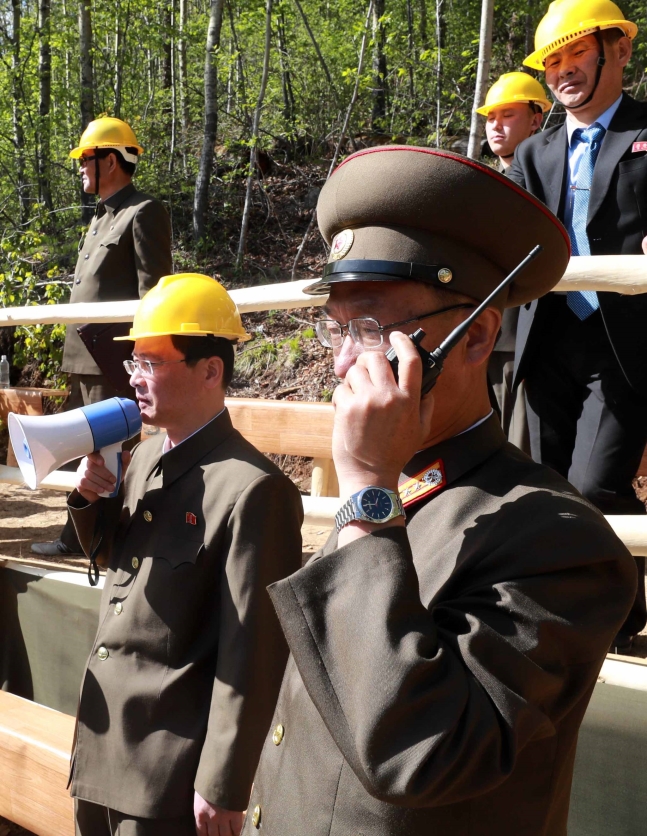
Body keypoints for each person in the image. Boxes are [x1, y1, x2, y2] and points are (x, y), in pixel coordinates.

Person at [239, 146, 636, 836]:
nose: (342, 362)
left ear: (477, 334)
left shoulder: (556, 537)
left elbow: (419, 756)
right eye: (336, 329)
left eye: (370, 327)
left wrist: (365, 488)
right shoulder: (399, 485)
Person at [67, 273, 303, 836]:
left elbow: (254, 650)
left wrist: (223, 783)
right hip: (101, 748)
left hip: (165, 775)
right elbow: (114, 560)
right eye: (134, 363)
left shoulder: (254, 489)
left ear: (210, 370)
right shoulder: (144, 457)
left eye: (151, 362)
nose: (135, 379)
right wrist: (87, 499)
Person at [507, 0, 647, 649]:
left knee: (596, 483)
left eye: (574, 54)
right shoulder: (533, 155)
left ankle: (625, 602)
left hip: (625, 343)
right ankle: (565, 616)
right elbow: (502, 233)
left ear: (617, 50)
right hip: (548, 336)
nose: (561, 72)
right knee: (550, 484)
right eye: (551, 61)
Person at [32, 116, 173, 558]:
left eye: (85, 159)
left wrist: (145, 355)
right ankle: (83, 539)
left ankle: (99, 544)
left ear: (109, 161)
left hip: (112, 359)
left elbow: (156, 290)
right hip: (82, 355)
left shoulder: (143, 211)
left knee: (107, 455)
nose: (79, 168)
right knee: (84, 455)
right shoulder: (99, 218)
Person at [477, 72, 551, 451]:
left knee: (522, 454)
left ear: (537, 118)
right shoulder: (484, 184)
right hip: (480, 339)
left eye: (508, 114)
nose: (495, 126)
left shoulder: (552, 180)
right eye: (490, 117)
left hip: (527, 340)